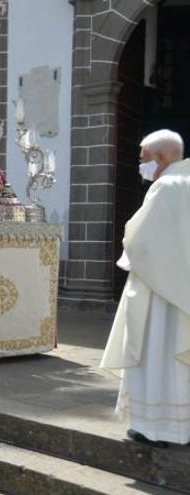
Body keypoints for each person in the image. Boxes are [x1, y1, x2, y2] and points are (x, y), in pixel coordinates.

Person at [101, 130, 190, 447]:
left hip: (159, 294)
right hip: (183, 293)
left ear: (161, 158)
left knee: (157, 356)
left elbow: (140, 241)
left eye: (143, 159)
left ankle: (156, 429)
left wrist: (127, 255)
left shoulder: (165, 187)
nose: (140, 166)